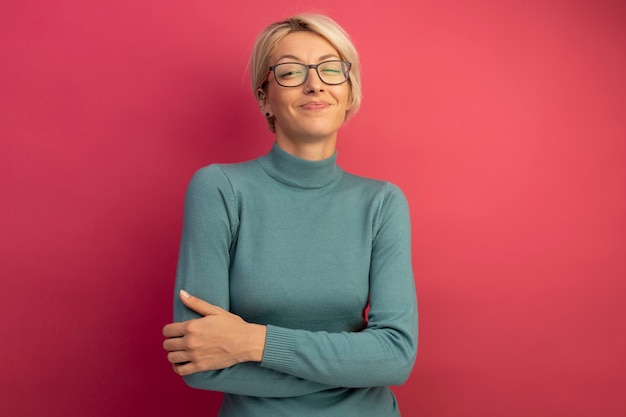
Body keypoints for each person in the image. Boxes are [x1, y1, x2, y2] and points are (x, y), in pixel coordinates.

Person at [162, 13, 418, 417]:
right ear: (264, 97)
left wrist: (252, 342)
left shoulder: (382, 202)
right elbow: (198, 362)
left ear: (348, 92)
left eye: (331, 70)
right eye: (291, 71)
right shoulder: (220, 190)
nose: (314, 82)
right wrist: (352, 367)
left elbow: (396, 356)